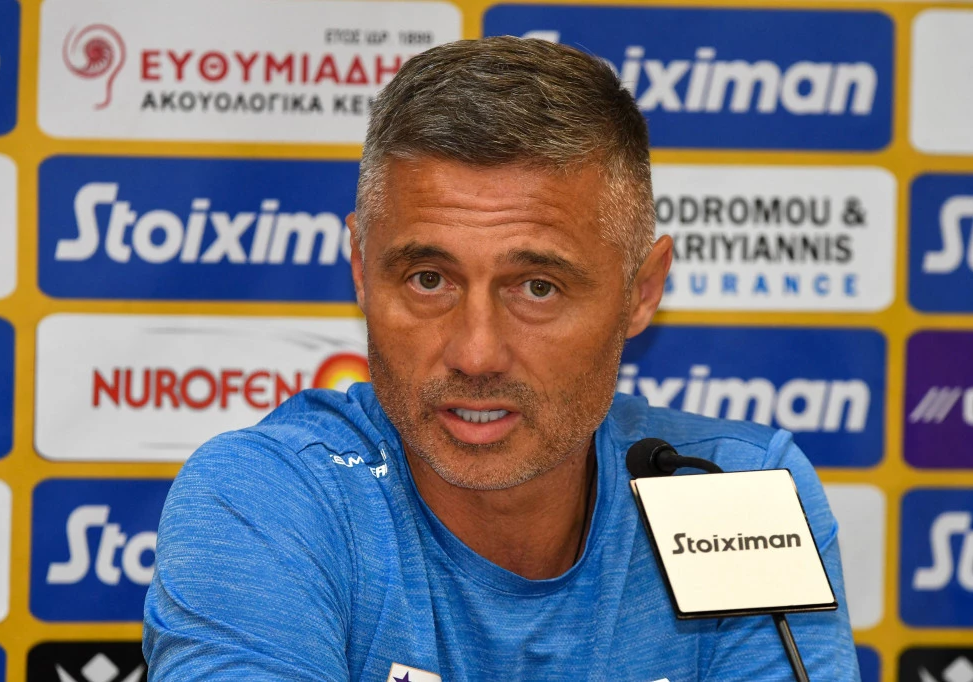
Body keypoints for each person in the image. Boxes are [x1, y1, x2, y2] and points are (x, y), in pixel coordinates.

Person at [143, 37, 859, 680]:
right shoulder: (270, 498)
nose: (476, 353)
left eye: (537, 287)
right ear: (361, 270)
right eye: (429, 279)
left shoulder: (727, 491)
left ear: (641, 290)